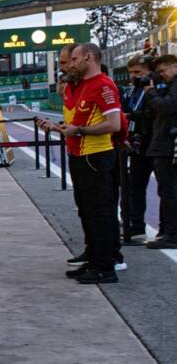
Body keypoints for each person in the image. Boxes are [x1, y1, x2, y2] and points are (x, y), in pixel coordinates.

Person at [38, 43, 124, 284]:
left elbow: (114, 123)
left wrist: (80, 130)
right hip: (80, 156)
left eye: (74, 59)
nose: (71, 64)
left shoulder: (104, 85)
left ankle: (106, 267)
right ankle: (95, 260)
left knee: (99, 212)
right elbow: (77, 124)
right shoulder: (84, 86)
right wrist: (61, 128)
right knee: (87, 211)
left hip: (96, 156)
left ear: (89, 57)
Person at [123, 55, 158, 244]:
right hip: (138, 145)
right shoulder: (133, 91)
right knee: (134, 188)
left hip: (157, 144)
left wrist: (133, 115)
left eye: (138, 72)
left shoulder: (156, 89)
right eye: (131, 73)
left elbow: (157, 113)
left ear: (149, 72)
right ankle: (136, 228)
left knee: (165, 190)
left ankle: (167, 231)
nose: (133, 77)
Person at [143, 55, 177, 249]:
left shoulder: (173, 87)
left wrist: (151, 92)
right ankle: (167, 231)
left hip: (167, 145)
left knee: (168, 190)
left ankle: (172, 234)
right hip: (164, 143)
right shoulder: (169, 86)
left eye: (163, 71)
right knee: (166, 190)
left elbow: (167, 107)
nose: (161, 75)